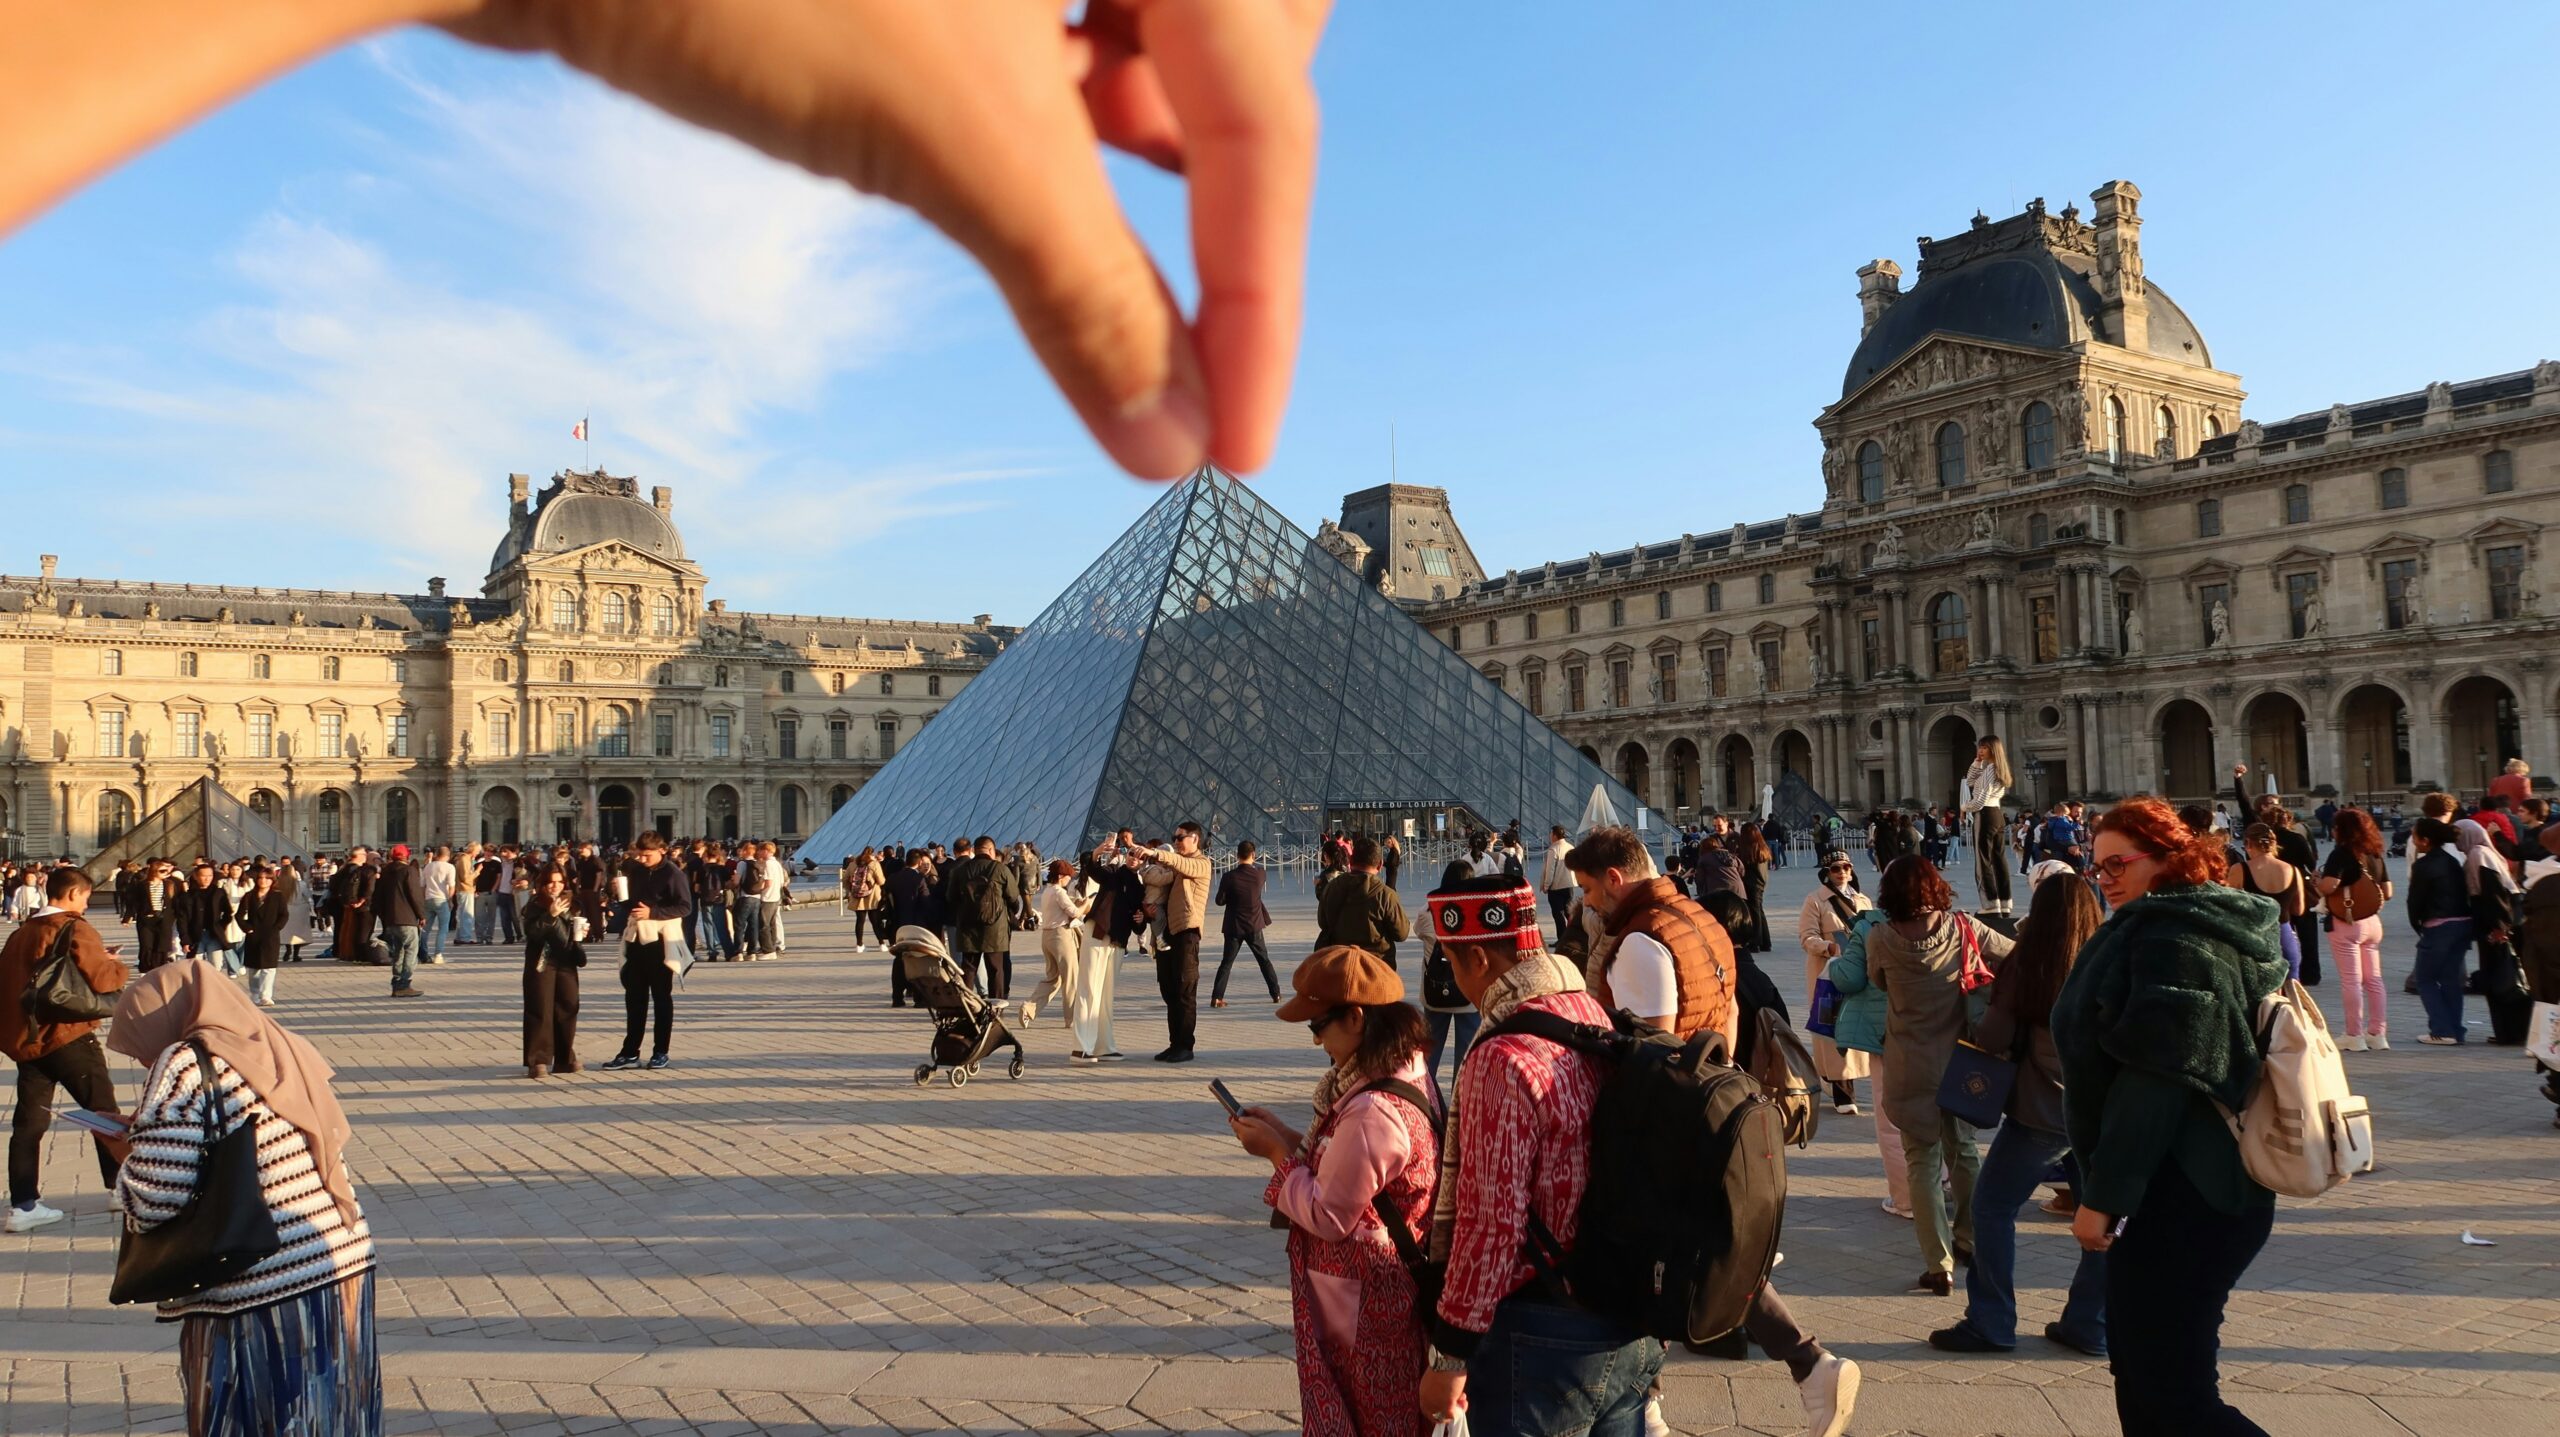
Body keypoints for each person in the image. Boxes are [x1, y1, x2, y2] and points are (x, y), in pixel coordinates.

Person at [1561, 832, 1860, 1437]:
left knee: (1651, 1260)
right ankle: (1809, 1366)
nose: (1588, 904)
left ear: (1616, 878)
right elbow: (1725, 1015)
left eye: (1591, 890)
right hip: (1712, 1102)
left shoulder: (1641, 942)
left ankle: (1649, 1404)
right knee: (1708, 1255)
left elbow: (1651, 1053)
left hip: (1667, 1123)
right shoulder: (1694, 915)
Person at [2056, 796, 2285, 1436]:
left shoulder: (2175, 937)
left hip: (2191, 1191)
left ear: (2168, 858)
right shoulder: (2178, 923)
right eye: (2095, 867)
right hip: (2176, 1187)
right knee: (2142, 1374)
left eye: (2118, 864)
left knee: (2175, 1395)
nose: (2104, 879)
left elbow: (2156, 1078)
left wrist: (2102, 1196)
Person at [1418, 875, 1661, 1436]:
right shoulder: (1591, 1013)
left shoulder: (1501, 1058)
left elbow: (1491, 1224)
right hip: (1623, 1316)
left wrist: (1449, 1356)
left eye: (1450, 963)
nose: (1453, 979)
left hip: (1542, 1333)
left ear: (1477, 957)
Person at [109, 962, 380, 1434]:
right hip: (338, 1257)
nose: (141, 1060)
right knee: (330, 1416)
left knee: (258, 1416)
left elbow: (155, 1198)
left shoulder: (183, 1061)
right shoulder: (273, 1042)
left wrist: (125, 1155)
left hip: (260, 1278)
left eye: (138, 1044)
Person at [1230, 947, 1440, 1437]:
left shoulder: (1373, 1109)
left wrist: (1276, 1158)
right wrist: (1283, 1135)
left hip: (1370, 1302)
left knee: (1370, 1416)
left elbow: (1329, 1213)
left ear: (1356, 1017)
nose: (1316, 1041)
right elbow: (1342, 1164)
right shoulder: (1403, 1069)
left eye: (1318, 1027)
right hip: (1374, 1293)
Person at [1928, 872, 2107, 1356]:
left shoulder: (2031, 962)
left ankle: (1991, 1320)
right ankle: (2091, 1323)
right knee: (2105, 1217)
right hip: (2100, 1113)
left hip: (2044, 1110)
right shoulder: (2109, 958)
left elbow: (1992, 1038)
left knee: (1992, 1207)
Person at [1866, 855, 2014, 1295]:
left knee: (1922, 1162)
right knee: (1964, 1150)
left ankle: (1939, 1263)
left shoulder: (1880, 938)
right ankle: (1967, 1238)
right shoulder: (1963, 927)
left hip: (1908, 1064)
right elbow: (2013, 956)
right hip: (1960, 1060)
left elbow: (1877, 982)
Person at [3, 866, 129, 1235]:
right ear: (74, 894)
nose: (88, 903)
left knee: (28, 1125)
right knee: (104, 1113)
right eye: (87, 896)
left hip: (31, 1042)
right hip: (69, 1036)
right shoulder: (74, 927)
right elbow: (103, 979)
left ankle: (24, 1205)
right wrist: (115, 964)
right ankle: (119, 1187)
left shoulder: (22, 932)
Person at [606, 832, 692, 1070]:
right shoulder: (637, 870)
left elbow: (685, 906)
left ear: (662, 850)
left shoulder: (673, 874)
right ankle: (630, 1051)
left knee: (662, 998)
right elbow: (633, 906)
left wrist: (653, 913)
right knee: (634, 998)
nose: (642, 860)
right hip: (636, 939)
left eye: (647, 855)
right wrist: (619, 895)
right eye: (639, 855)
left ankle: (660, 1051)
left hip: (660, 941)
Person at [1797, 851, 1873, 1115]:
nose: (1841, 872)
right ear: (1827, 872)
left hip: (1858, 970)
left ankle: (1836, 1079)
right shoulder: (1815, 900)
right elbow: (1806, 936)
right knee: (1831, 1029)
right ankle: (1842, 1091)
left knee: (1854, 1024)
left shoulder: (1863, 900)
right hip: (1827, 973)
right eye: (1835, 868)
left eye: (1846, 867)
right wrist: (1829, 946)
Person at [2317, 808, 2394, 1050]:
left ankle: (2353, 1035)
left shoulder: (2341, 853)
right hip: (2372, 922)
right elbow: (2388, 892)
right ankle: (2377, 1033)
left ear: (2342, 829)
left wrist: (2316, 881)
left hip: (2347, 922)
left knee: (2351, 980)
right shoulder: (2375, 853)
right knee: (2374, 979)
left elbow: (2329, 886)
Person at [1137, 823, 1214, 1063]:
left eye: (1180, 837)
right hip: (1169, 931)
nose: (1177, 841)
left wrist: (1154, 853)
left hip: (1187, 932)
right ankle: (1174, 1043)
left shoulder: (1201, 863)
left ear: (1195, 838)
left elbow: (1181, 864)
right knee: (1169, 990)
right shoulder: (1178, 864)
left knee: (1184, 990)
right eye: (1175, 837)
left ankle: (1185, 1046)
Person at [2405, 818, 2473, 1044]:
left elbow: (2415, 902)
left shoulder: (2423, 866)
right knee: (2451, 979)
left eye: (2415, 837)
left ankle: (2442, 1030)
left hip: (2438, 925)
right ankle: (2456, 1030)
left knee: (2425, 979)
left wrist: (2419, 926)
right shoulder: (2451, 860)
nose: (2413, 842)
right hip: (2462, 923)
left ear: (2425, 841)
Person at [1418, 860, 1481, 1091]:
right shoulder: (1476, 914)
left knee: (1428, 1055)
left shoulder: (1427, 912)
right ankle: (1460, 1106)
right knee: (1466, 1057)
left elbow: (1419, 932)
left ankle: (1426, 1102)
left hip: (1435, 993)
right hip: (1468, 994)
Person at [521, 865, 586, 1079]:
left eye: (559, 881)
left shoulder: (573, 904)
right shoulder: (535, 904)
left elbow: (576, 930)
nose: (555, 886)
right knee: (541, 1008)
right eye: (550, 882)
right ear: (543, 883)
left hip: (566, 961)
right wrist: (550, 915)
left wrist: (583, 931)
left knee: (568, 1006)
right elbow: (532, 933)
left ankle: (565, 1057)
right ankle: (538, 1060)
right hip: (542, 961)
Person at [2222, 824, 2308, 981]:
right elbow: (2299, 909)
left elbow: (2228, 906)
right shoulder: (2293, 870)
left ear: (2248, 843)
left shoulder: (2240, 869)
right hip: (2284, 936)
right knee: (2291, 995)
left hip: (2255, 937)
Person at [1314, 835, 1410, 966]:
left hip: (1339, 965)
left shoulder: (1332, 888)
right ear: (1380, 864)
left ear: (1351, 860)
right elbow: (1401, 933)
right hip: (1377, 967)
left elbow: (1323, 923)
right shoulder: (1385, 895)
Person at [1070, 851, 1128, 1064]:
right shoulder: (1113, 873)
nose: (1133, 858)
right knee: (1089, 989)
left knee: (1105, 994)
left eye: (1138, 856)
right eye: (1128, 853)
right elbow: (1094, 869)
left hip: (1117, 940)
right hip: (1098, 933)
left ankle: (1103, 1045)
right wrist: (1097, 854)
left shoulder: (1138, 882)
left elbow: (1139, 921)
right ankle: (1080, 1048)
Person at [948, 836, 1023, 999]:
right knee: (996, 969)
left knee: (968, 968)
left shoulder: (961, 871)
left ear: (974, 850)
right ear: (991, 850)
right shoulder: (1000, 869)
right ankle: (995, 1008)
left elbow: (951, 897)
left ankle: (967, 1005)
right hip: (995, 927)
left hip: (968, 926)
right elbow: (1013, 895)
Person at [1211, 840, 1278, 1008]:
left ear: (1236, 855)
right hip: (1254, 924)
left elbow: (1219, 901)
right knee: (1264, 960)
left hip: (1234, 926)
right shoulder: (1260, 874)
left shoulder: (1228, 877)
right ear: (1253, 855)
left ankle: (1217, 997)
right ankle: (1275, 993)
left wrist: (1230, 896)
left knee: (1226, 963)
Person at [1026, 859, 1090, 1029]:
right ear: (1061, 876)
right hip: (1061, 937)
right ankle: (1072, 1019)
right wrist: (1085, 905)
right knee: (1071, 979)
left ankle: (1029, 1008)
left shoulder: (1048, 891)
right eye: (1068, 876)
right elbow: (1075, 913)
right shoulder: (1059, 892)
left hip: (1047, 937)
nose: (1070, 879)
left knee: (1053, 978)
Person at [1961, 737, 2013, 917]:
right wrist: (1976, 763)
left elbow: (1981, 799)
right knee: (1999, 860)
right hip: (1997, 815)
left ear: (1993, 749)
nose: (1980, 751)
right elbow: (1970, 781)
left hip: (1985, 815)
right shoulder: (1997, 769)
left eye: (1984, 748)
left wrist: (1964, 807)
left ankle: (1990, 904)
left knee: (1983, 860)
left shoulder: (1990, 769)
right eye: (1979, 747)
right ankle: (2004, 902)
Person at [884, 850, 940, 1008]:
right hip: (916, 926)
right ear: (918, 863)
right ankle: (919, 998)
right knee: (916, 961)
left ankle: (897, 997)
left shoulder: (892, 878)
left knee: (899, 960)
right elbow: (926, 904)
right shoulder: (919, 879)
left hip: (896, 926)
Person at [374, 844, 430, 998]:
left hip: (390, 920)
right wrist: (421, 915)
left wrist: (384, 917)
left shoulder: (385, 872)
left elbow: (377, 897)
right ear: (407, 856)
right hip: (406, 918)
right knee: (411, 950)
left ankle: (396, 981)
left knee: (398, 951)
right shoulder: (408, 871)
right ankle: (405, 983)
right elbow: (415, 895)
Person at [235, 865, 295, 1007]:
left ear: (272, 880)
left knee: (269, 967)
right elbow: (239, 915)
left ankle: (266, 995)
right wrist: (246, 928)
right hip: (254, 934)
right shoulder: (249, 895)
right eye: (261, 878)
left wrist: (276, 928)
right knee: (254, 967)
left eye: (267, 878)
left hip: (271, 935)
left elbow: (284, 915)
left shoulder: (277, 896)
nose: (263, 881)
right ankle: (255, 993)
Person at [1735, 823, 1775, 954]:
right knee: (1759, 911)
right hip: (1760, 883)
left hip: (1751, 884)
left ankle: (1755, 942)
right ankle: (1765, 942)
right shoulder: (1762, 847)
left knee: (1754, 913)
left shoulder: (1748, 849)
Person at [1538, 825, 1578, 941]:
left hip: (1556, 887)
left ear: (1555, 835)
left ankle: (1562, 939)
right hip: (1569, 884)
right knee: (1568, 912)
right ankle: (1573, 936)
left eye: (1551, 834)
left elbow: (1550, 870)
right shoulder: (1570, 847)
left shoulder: (1553, 849)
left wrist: (1546, 885)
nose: (1550, 836)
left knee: (1558, 914)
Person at [420, 844, 457, 965]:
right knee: (443, 929)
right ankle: (438, 955)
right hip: (442, 899)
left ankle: (423, 954)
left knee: (425, 929)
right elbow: (451, 886)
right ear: (448, 855)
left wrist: (423, 899)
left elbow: (422, 885)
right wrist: (450, 900)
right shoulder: (449, 867)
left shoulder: (428, 866)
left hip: (428, 898)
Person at [847, 846, 888, 952]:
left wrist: (852, 890)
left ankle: (859, 945)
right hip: (872, 897)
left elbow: (845, 879)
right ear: (872, 853)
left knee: (860, 921)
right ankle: (881, 944)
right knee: (875, 921)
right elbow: (881, 881)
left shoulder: (853, 864)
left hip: (857, 897)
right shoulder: (874, 864)